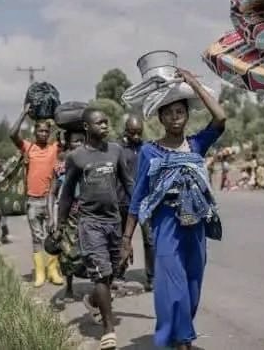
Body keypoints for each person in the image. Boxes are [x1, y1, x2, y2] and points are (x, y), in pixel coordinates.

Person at [120, 68, 227, 350]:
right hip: (166, 224)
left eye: (180, 111)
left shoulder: (196, 145)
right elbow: (138, 196)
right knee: (171, 287)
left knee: (192, 285)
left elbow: (220, 118)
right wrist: (126, 238)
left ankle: (182, 334)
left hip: (196, 225)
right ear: (160, 118)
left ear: (187, 115)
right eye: (168, 113)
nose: (175, 117)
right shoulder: (150, 151)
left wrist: (194, 84)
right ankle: (180, 340)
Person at [58, 107, 134, 350]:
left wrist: (135, 224)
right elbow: (66, 194)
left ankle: (92, 300)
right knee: (100, 274)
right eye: (99, 122)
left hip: (114, 221)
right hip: (90, 223)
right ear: (86, 127)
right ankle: (109, 330)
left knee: (111, 272)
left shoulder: (116, 151)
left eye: (106, 122)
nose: (104, 125)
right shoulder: (76, 157)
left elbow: (129, 185)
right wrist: (59, 226)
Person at [11, 104, 64, 288]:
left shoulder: (54, 148)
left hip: (51, 201)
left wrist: (56, 117)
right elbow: (12, 134)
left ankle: (53, 271)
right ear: (35, 132)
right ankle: (40, 273)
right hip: (33, 201)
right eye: (40, 131)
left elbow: (67, 135)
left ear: (49, 133)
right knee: (37, 237)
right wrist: (23, 113)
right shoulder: (28, 147)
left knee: (54, 235)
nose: (43, 134)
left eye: (46, 131)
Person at [114, 115, 155, 291]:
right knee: (122, 239)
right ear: (126, 131)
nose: (136, 136)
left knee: (150, 240)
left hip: (145, 203)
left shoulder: (147, 149)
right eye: (132, 133)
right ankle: (118, 274)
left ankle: (152, 277)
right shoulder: (117, 150)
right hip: (123, 201)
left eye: (139, 132)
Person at [51, 130, 85, 301]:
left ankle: (99, 289)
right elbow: (53, 193)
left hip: (90, 211)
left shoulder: (92, 159)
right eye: (75, 141)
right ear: (68, 143)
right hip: (70, 213)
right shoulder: (62, 165)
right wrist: (54, 219)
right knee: (67, 252)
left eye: (81, 140)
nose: (78, 144)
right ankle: (69, 288)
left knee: (94, 250)